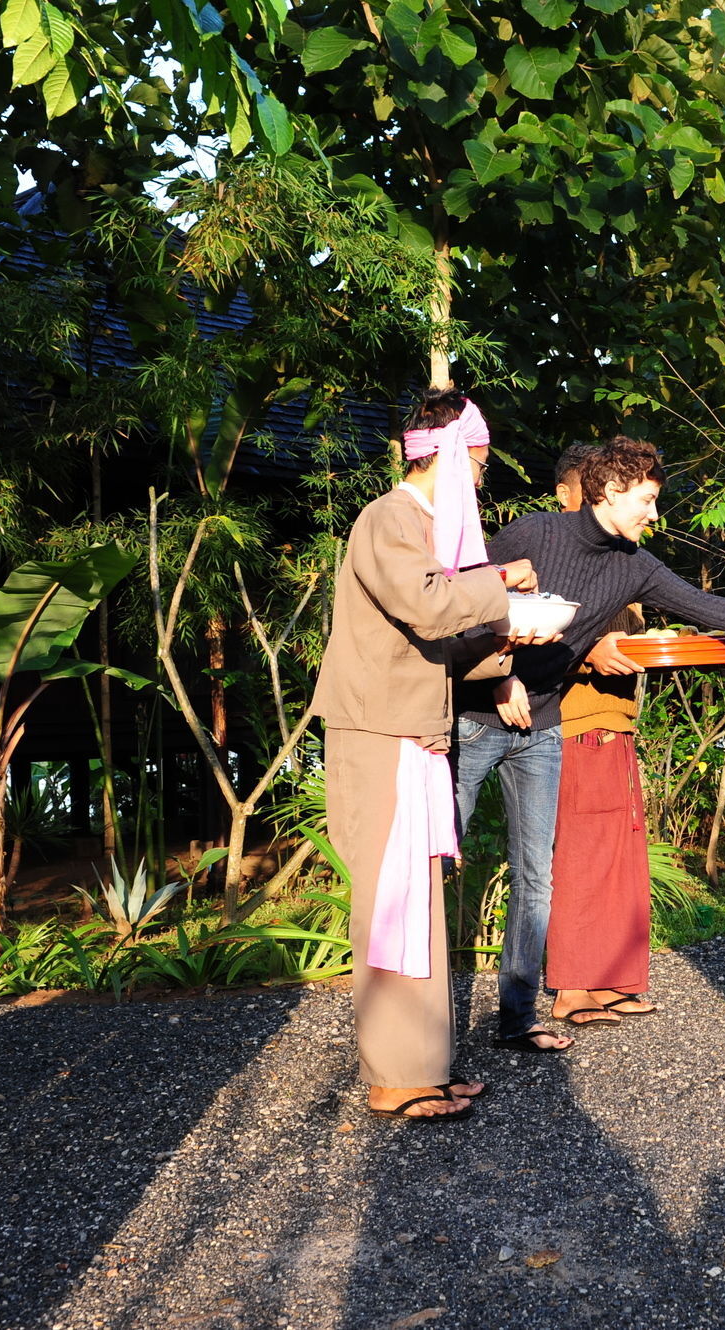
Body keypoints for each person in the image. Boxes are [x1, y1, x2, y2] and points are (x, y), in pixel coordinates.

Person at [453, 436, 725, 1053]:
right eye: (648, 500)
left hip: (543, 728)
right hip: (476, 717)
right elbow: (460, 603)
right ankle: (416, 1030)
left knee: (536, 880)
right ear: (609, 492)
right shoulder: (533, 533)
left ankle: (517, 1022)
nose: (654, 516)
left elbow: (707, 605)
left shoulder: (635, 565)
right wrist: (499, 677)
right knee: (439, 858)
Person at [309, 388, 546, 1122]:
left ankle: (425, 1065)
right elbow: (426, 605)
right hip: (380, 734)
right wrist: (501, 589)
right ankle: (393, 1078)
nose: (482, 474)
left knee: (421, 903)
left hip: (411, 731)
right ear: (449, 454)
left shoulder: (424, 528)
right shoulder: (389, 518)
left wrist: (508, 644)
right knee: (390, 904)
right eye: (477, 459)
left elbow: (437, 645)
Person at [545, 442, 655, 1029]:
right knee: (585, 858)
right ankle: (571, 987)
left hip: (615, 726)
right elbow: (533, 644)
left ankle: (610, 981)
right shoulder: (555, 558)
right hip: (577, 727)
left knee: (619, 859)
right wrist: (590, 652)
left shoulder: (619, 561)